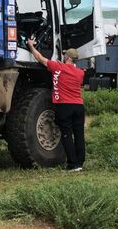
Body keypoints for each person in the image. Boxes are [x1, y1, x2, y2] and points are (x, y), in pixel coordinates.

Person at [25, 37, 85, 171]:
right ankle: (80, 162)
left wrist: (31, 46)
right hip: (79, 106)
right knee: (79, 134)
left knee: (66, 135)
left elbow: (40, 58)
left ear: (67, 57)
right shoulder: (80, 73)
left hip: (64, 106)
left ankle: (72, 164)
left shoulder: (57, 67)